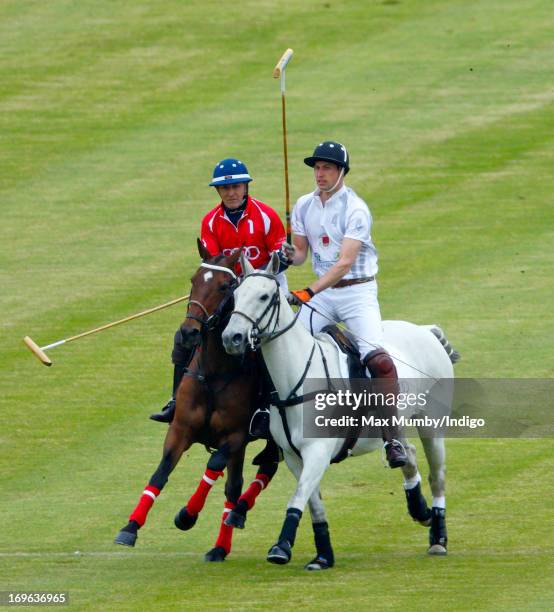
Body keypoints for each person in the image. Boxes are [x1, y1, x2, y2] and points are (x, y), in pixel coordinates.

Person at [283, 141, 408, 468]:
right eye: (317, 168)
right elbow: (299, 255)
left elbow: (344, 263)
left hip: (356, 293)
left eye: (326, 168)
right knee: (282, 345)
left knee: (379, 362)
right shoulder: (303, 205)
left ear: (341, 172)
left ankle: (392, 439)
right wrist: (286, 255)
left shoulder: (356, 209)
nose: (319, 174)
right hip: (322, 293)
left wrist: (309, 291)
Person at [150, 158, 288, 430]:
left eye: (236, 186)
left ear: (245, 187)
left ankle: (267, 408)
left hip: (265, 292)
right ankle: (176, 401)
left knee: (264, 344)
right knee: (186, 336)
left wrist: (278, 261)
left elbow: (279, 257)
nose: (231, 193)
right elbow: (213, 262)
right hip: (228, 292)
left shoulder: (266, 215)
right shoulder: (211, 222)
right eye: (224, 189)